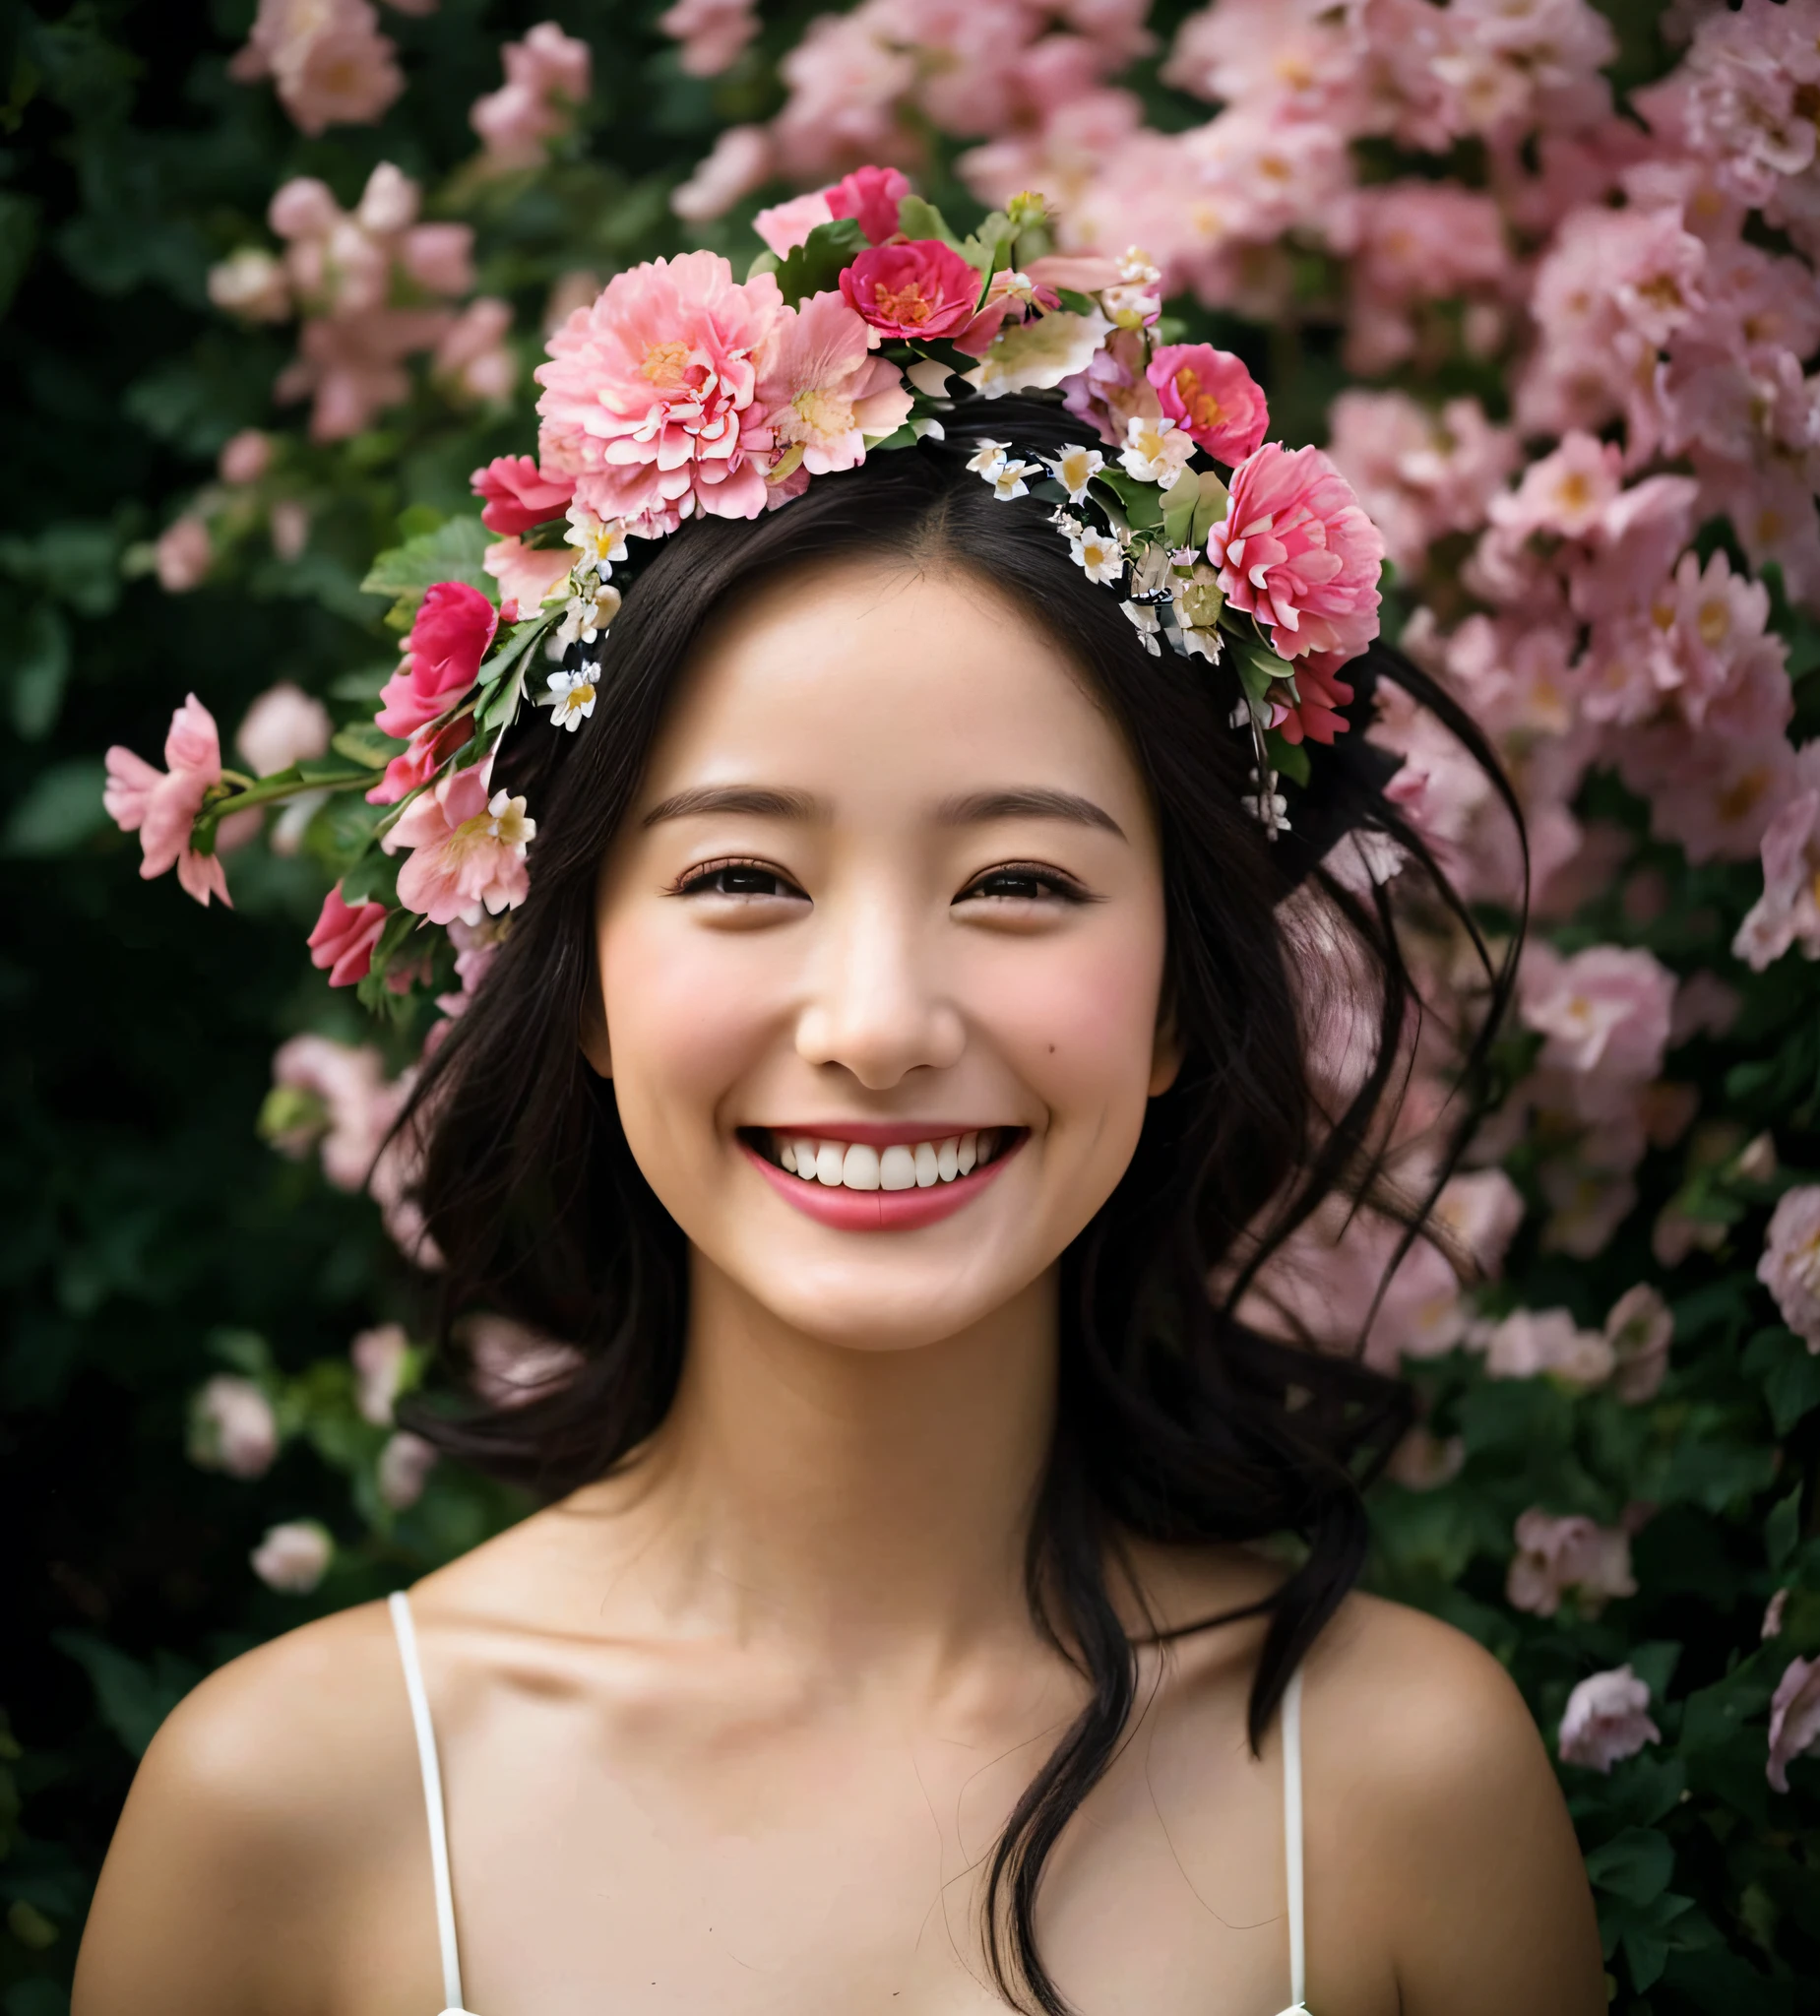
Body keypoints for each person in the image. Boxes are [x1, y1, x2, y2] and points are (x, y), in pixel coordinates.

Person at [78, 200, 1604, 2016]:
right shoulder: (293, 1809)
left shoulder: (1403, 1788)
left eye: (1020, 885)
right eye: (743, 877)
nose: (877, 1027)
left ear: (1185, 999)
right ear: (581, 981)